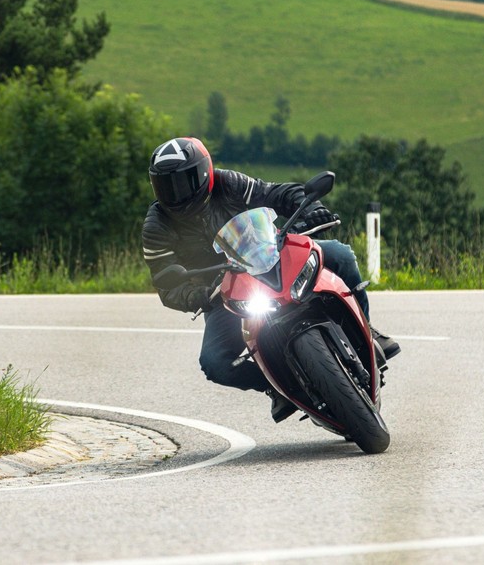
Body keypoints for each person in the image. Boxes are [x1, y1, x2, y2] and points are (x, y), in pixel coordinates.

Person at [141, 137, 400, 422]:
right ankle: (276, 387)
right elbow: (167, 284)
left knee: (341, 255)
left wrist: (309, 208)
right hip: (223, 291)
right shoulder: (157, 225)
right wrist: (198, 294)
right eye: (166, 185)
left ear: (204, 172)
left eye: (183, 182)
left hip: (269, 257)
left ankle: (368, 330)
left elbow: (275, 193)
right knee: (214, 363)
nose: (176, 193)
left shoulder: (229, 183)